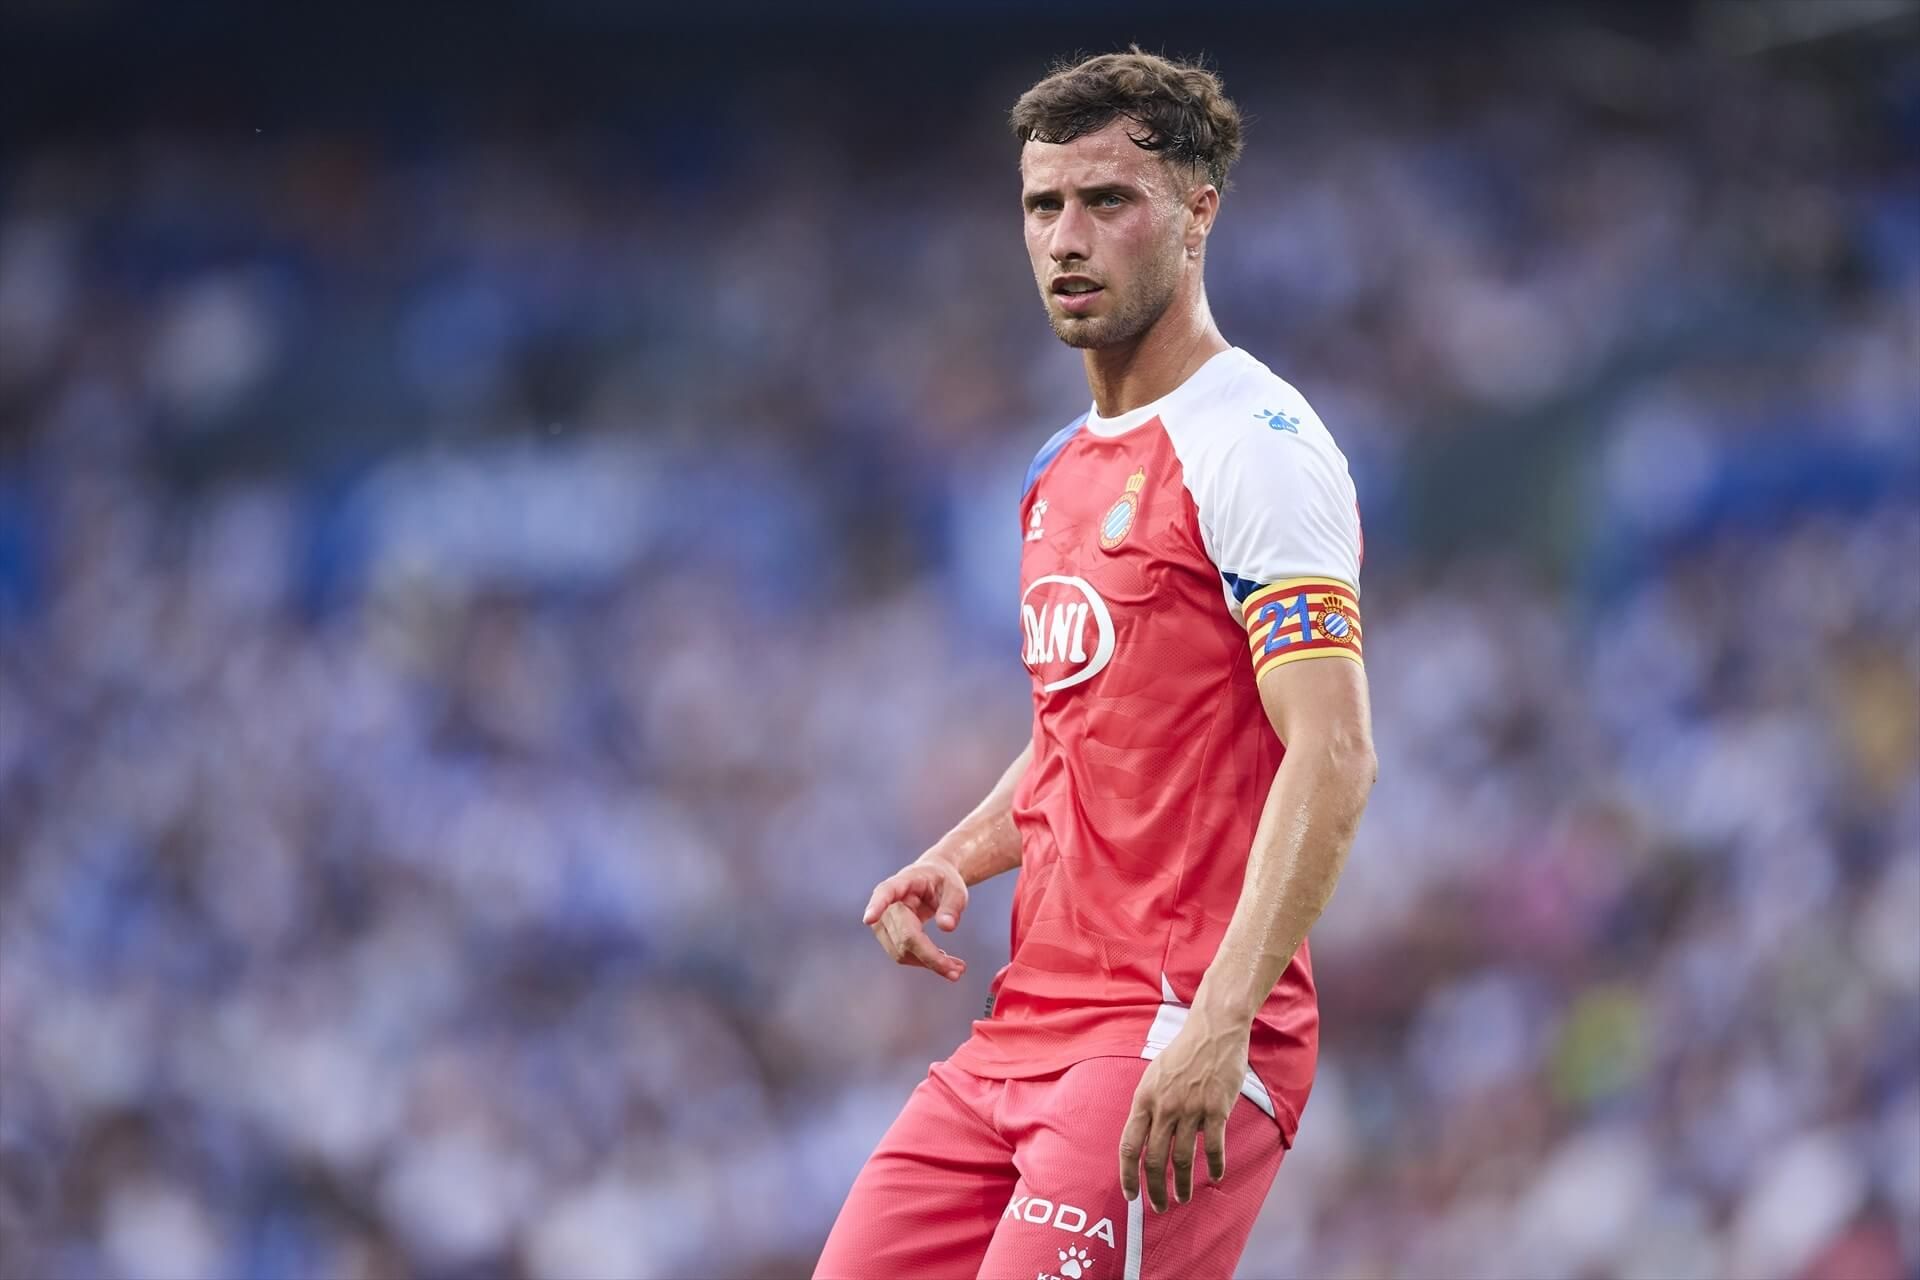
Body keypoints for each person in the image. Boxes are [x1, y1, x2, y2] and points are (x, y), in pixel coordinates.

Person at [815, 48, 1377, 1280]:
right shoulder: (1059, 465)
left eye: (1108, 201)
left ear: (1196, 213)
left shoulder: (1257, 447)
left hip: (1171, 1026)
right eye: (1042, 205)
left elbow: (1333, 754)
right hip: (1026, 1025)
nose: (1067, 237)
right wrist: (954, 856)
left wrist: (1220, 1020)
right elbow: (1082, 740)